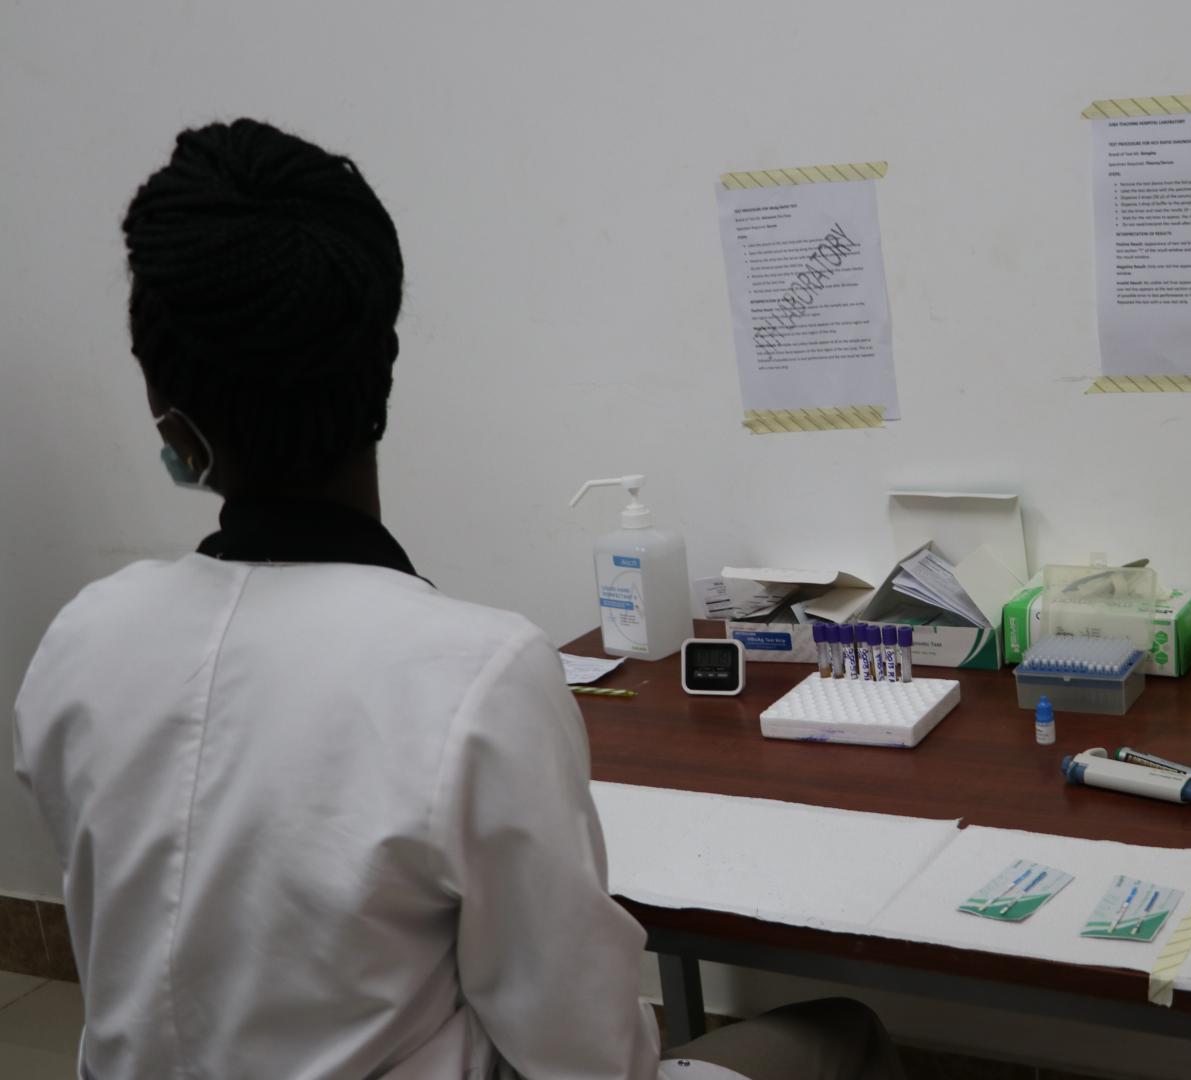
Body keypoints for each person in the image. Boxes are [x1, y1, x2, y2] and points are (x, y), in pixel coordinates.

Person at [12, 118, 905, 1080]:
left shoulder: (82, 643)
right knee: (836, 1036)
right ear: (384, 370)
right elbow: (587, 1060)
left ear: (163, 406)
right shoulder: (470, 672)